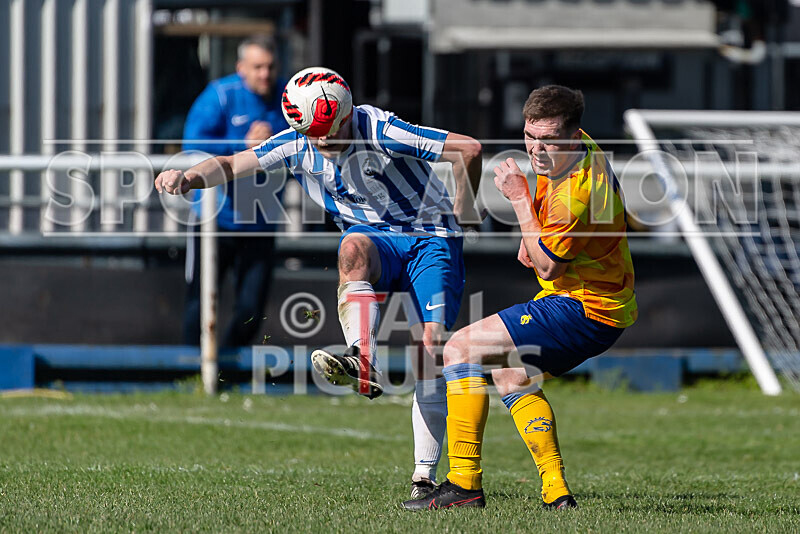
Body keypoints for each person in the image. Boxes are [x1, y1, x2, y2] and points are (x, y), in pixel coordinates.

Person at [156, 67, 483, 498]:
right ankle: (364, 359)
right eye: (314, 135)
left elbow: (469, 149)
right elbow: (234, 163)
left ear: (348, 115)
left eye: (331, 133)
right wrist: (190, 176)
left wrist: (464, 210)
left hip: (431, 237)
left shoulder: (380, 127)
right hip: (376, 241)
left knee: (431, 349)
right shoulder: (296, 141)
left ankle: (424, 476)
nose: (323, 143)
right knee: (351, 251)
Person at [402, 85, 638, 510]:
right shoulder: (582, 146)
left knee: (459, 349)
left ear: (572, 133)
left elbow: (548, 267)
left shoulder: (576, 194)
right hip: (601, 304)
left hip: (584, 307)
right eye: (531, 135)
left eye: (548, 140)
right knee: (511, 372)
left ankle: (463, 484)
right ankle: (556, 492)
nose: (537, 149)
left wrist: (520, 200)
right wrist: (537, 234)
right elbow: (545, 247)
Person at [182, 35, 288, 348]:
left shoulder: (289, 98)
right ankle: (190, 370)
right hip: (215, 218)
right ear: (241, 68)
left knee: (251, 309)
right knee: (199, 301)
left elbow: (306, 143)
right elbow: (192, 145)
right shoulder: (220, 95)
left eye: (270, 67)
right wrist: (241, 144)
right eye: (257, 67)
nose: (265, 74)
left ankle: (226, 368)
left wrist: (273, 143)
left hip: (261, 219)